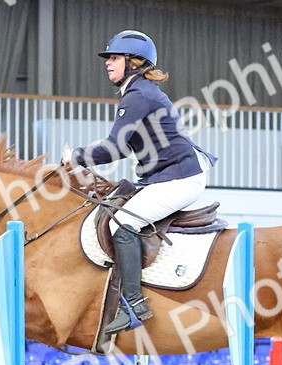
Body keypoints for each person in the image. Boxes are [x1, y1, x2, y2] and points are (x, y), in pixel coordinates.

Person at [61, 30, 217, 334]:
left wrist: (78, 156)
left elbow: (115, 148)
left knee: (122, 224)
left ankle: (133, 304)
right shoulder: (139, 93)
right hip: (166, 175)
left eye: (115, 58)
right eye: (109, 59)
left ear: (134, 63)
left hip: (180, 179)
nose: (107, 64)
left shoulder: (138, 96)